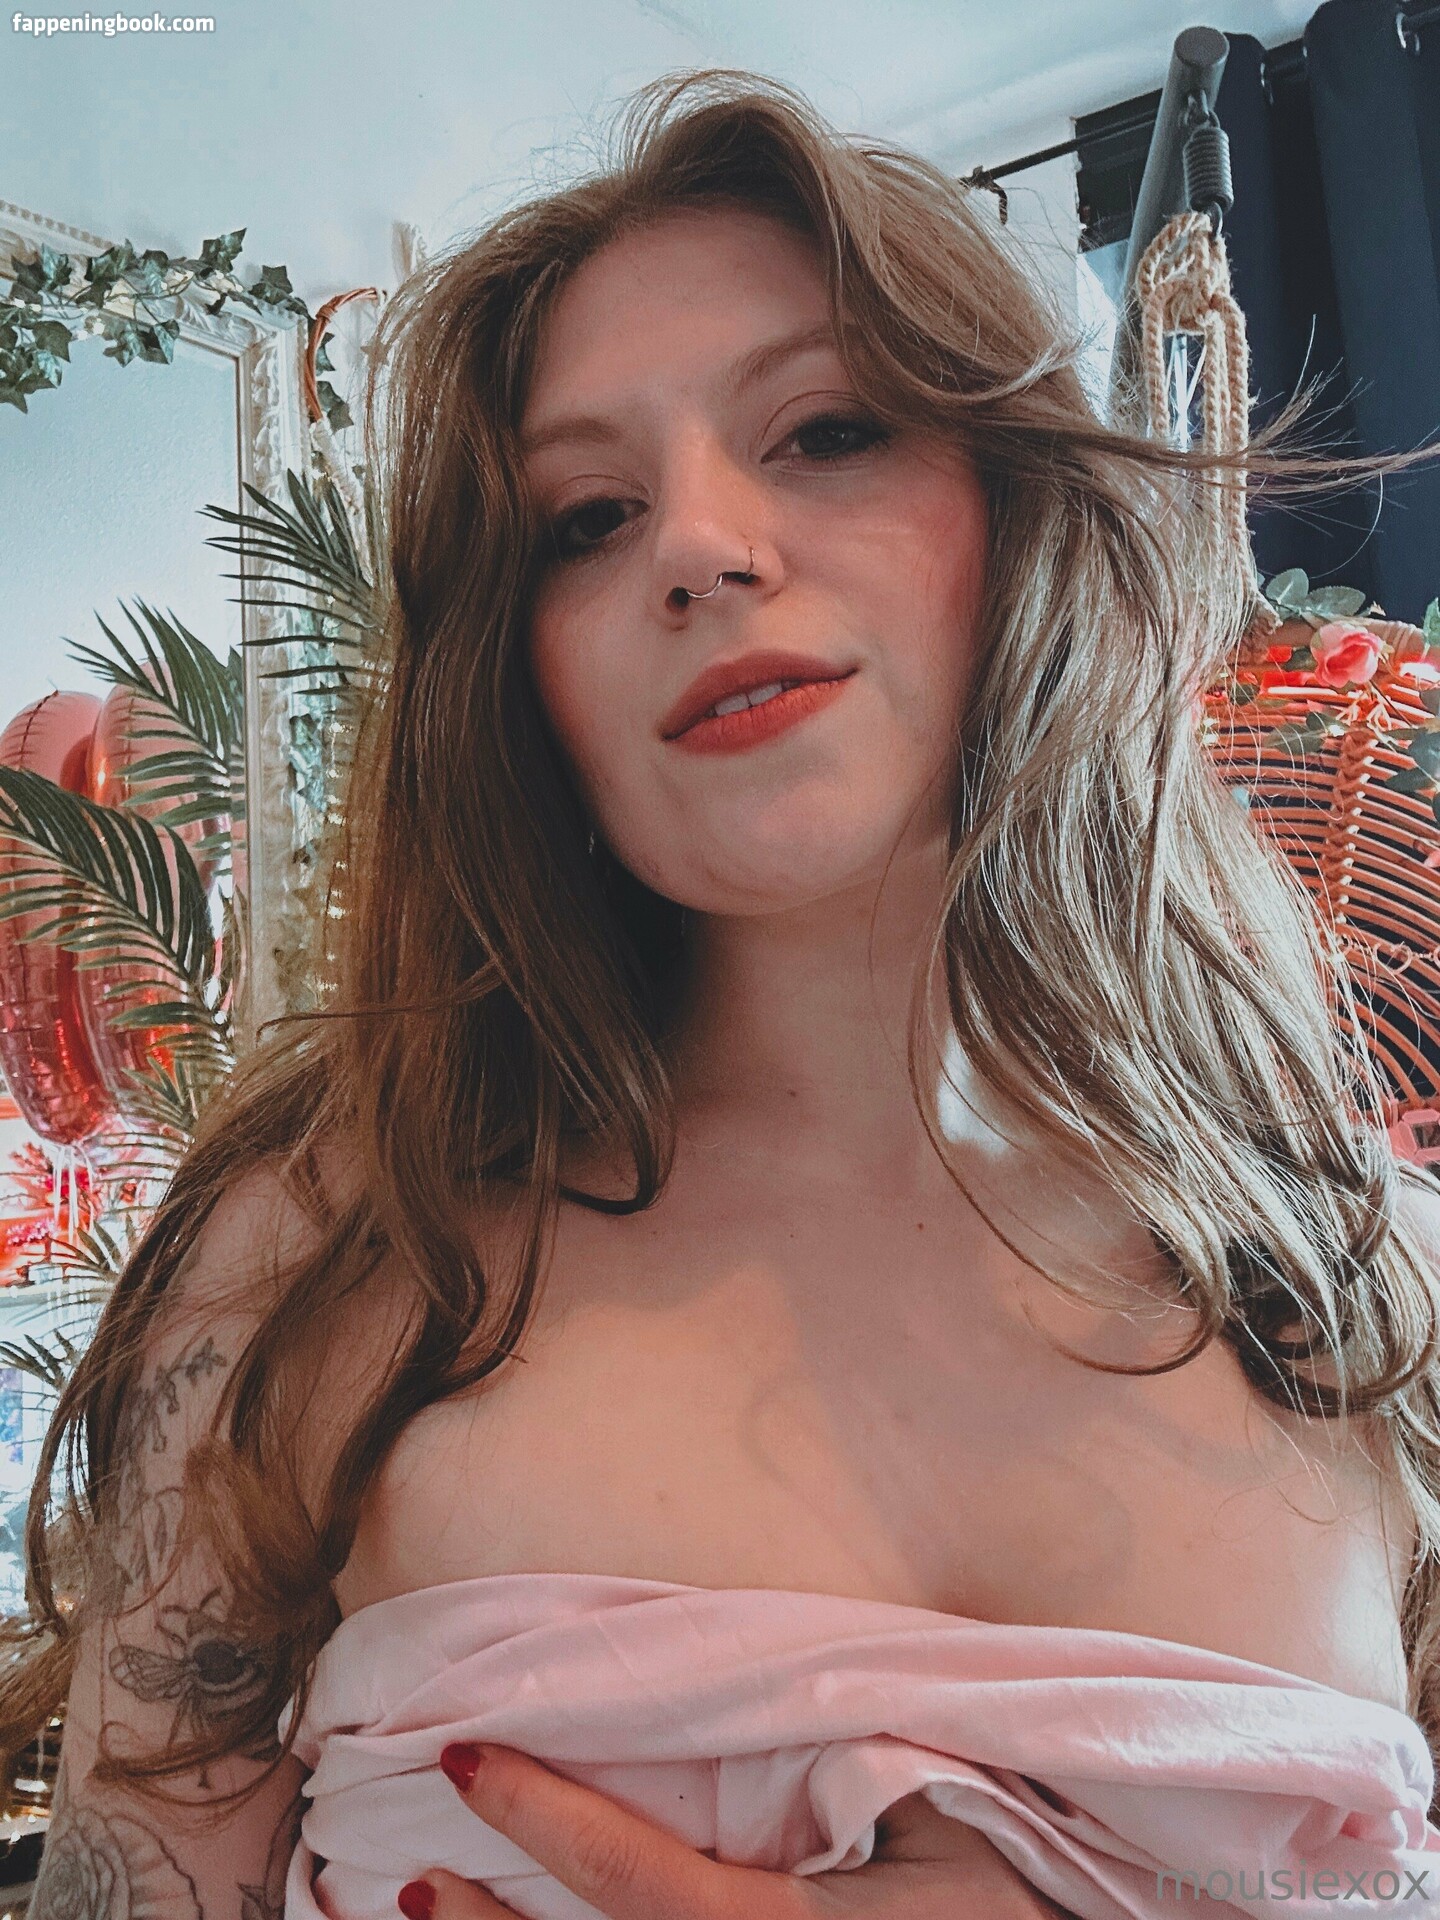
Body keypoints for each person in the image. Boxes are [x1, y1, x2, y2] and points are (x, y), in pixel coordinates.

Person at [9, 68, 1440, 1920]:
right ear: (516, 677)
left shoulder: (1366, 1275)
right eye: (584, 518)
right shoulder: (316, 1255)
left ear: (1025, 516)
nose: (698, 543)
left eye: (827, 430)